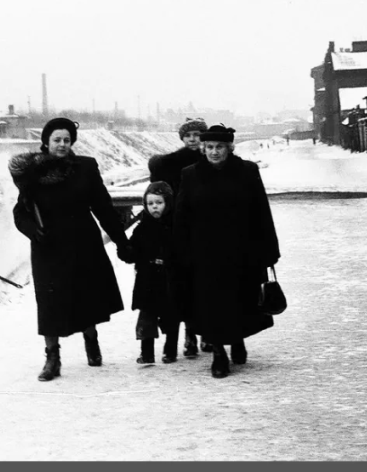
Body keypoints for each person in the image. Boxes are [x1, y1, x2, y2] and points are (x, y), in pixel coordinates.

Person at [9, 117, 130, 382]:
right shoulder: (32, 172)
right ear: (45, 142)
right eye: (57, 140)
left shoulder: (85, 168)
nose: (62, 144)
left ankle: (91, 340)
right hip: (48, 247)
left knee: (86, 294)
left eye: (67, 140)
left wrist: (122, 241)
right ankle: (53, 357)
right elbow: (20, 212)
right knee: (49, 303)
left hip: (82, 242)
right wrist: (32, 230)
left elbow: (103, 208)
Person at [173, 124, 280, 379]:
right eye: (209, 147)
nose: (214, 152)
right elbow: (181, 216)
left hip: (242, 249)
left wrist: (269, 249)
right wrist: (181, 251)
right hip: (205, 252)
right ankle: (219, 353)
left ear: (230, 147)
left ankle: (238, 340)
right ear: (202, 148)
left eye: (219, 147)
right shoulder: (190, 174)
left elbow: (261, 211)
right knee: (212, 304)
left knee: (241, 299)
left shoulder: (247, 171)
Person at [148, 117, 211, 358]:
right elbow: (159, 178)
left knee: (204, 286)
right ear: (182, 139)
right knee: (184, 287)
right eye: (188, 135)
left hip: (204, 232)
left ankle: (206, 333)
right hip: (181, 231)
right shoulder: (173, 162)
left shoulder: (212, 159)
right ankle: (190, 336)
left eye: (197, 134)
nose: (193, 139)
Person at [118, 181, 181, 365]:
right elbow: (132, 253)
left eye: (159, 203)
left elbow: (183, 251)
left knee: (171, 317)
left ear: (168, 203)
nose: (155, 207)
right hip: (148, 279)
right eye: (150, 203)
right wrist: (124, 249)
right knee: (146, 317)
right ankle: (146, 352)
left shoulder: (176, 226)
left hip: (170, 279)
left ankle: (170, 351)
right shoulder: (142, 228)